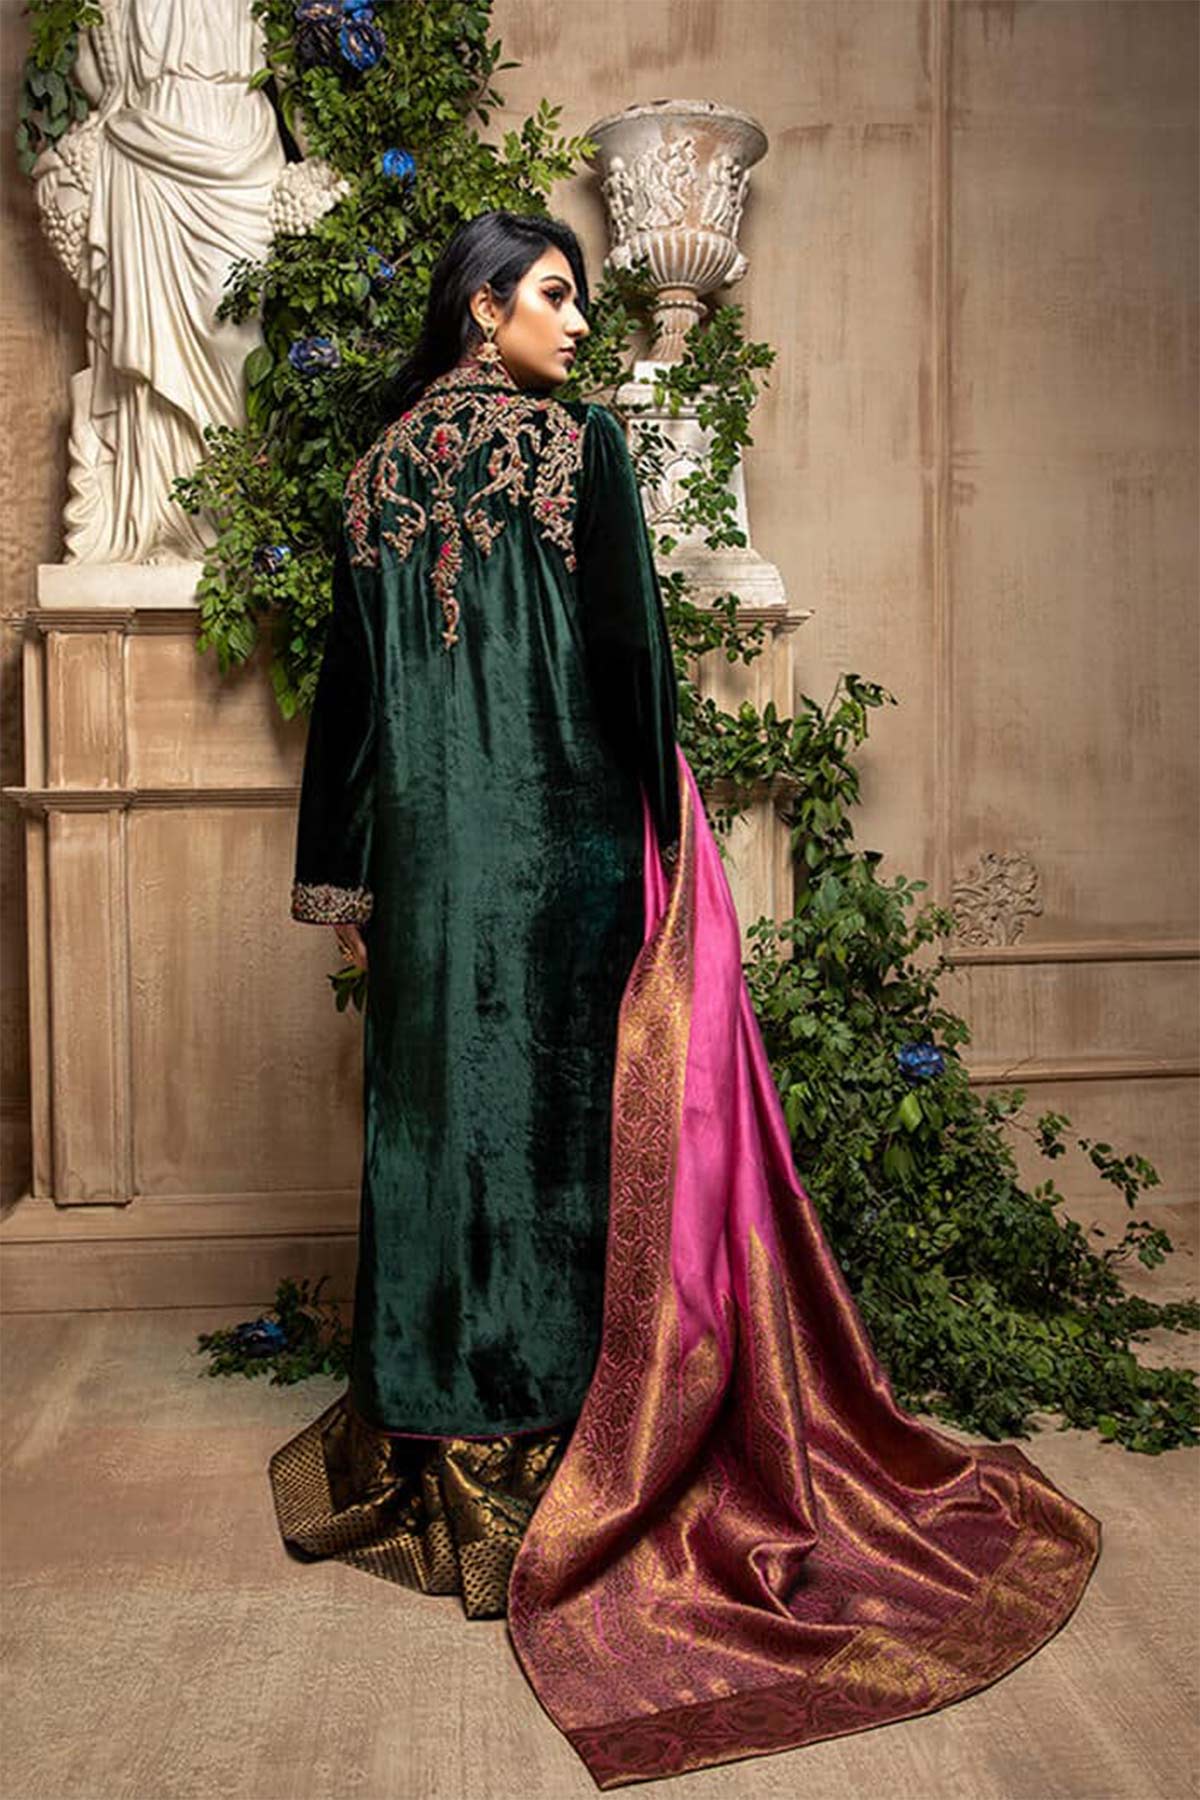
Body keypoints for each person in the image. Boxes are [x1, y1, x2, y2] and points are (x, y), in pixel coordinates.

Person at [270, 209, 1101, 1788]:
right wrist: (671, 850)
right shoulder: (577, 449)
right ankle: (582, 1443)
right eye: (554, 294)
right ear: (482, 307)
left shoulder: (376, 475)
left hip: (429, 882)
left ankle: (445, 1444)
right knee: (568, 1140)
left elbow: (348, 711)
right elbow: (631, 667)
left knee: (443, 1138)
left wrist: (346, 890)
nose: (578, 323)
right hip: (569, 859)